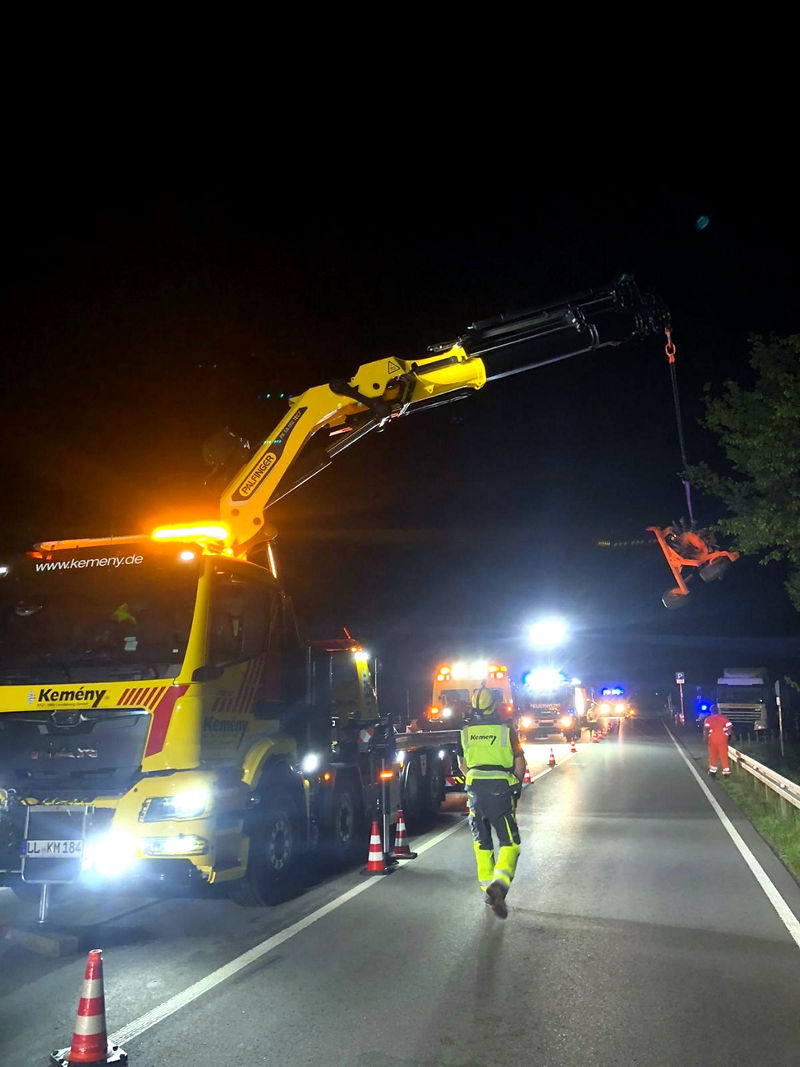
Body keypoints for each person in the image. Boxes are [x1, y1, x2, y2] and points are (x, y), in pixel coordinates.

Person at [458, 683, 527, 919]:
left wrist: (474, 780)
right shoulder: (506, 730)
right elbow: (519, 760)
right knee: (510, 842)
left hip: (474, 790)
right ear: (494, 706)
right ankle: (500, 883)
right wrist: (516, 785)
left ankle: (487, 890)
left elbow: (462, 764)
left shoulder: (465, 732)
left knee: (482, 841)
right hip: (500, 790)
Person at [703, 703, 733, 777]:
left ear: (711, 711)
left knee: (713, 756)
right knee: (724, 756)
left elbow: (706, 730)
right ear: (718, 710)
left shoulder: (708, 719)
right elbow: (729, 730)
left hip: (712, 740)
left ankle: (713, 772)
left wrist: (705, 739)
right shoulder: (724, 718)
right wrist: (731, 738)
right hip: (722, 740)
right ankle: (726, 773)